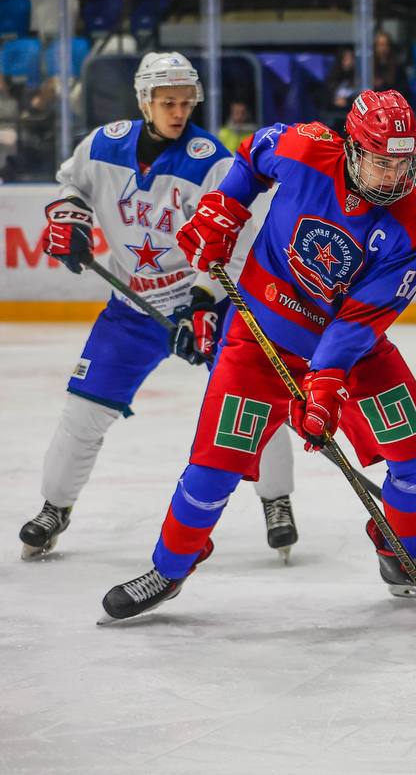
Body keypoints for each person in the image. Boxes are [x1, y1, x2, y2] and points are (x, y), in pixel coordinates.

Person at [100, 88, 416, 621]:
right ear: (352, 148)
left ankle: (402, 559)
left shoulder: (415, 224)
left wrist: (325, 381)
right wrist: (224, 209)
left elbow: (361, 319)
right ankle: (169, 569)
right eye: (381, 162)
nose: (393, 176)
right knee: (212, 469)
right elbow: (253, 154)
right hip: (259, 341)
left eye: (402, 164)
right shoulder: (305, 148)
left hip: (351, 354)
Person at [22, 51, 298, 561]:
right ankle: (54, 507)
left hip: (207, 304)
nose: (178, 112)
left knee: (254, 404)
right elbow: (71, 183)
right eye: (168, 102)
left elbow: (237, 242)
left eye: (186, 102)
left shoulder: (212, 161)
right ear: (144, 101)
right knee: (84, 410)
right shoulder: (101, 146)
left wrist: (202, 302)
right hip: (132, 309)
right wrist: (71, 218)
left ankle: (276, 499)